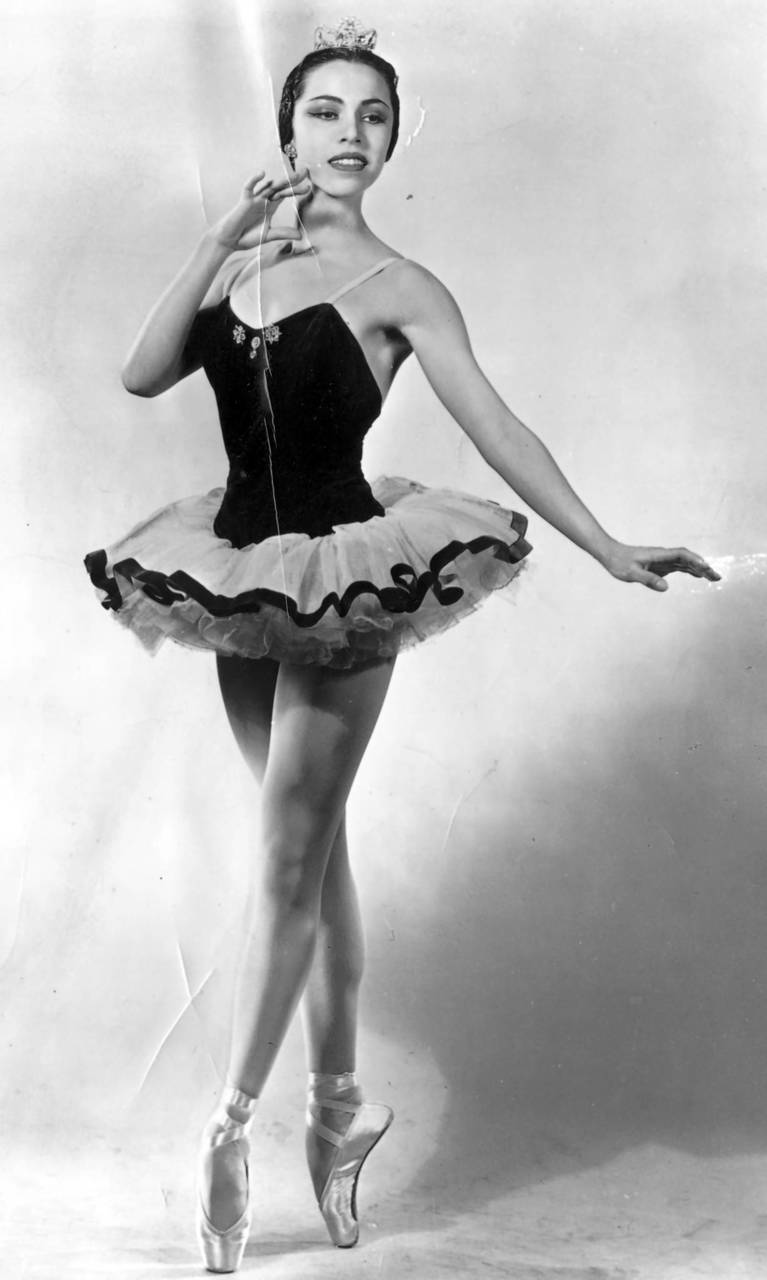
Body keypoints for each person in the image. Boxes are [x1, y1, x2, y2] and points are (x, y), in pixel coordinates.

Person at [84, 17, 720, 1273]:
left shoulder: (403, 288)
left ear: (392, 140)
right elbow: (141, 373)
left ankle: (228, 1129)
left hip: (350, 585)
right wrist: (216, 236)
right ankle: (339, 1114)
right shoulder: (237, 264)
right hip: (236, 577)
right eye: (325, 111)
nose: (351, 134)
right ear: (286, 132)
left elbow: (499, 429)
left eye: (372, 116)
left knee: (285, 854)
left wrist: (603, 544)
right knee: (313, 858)